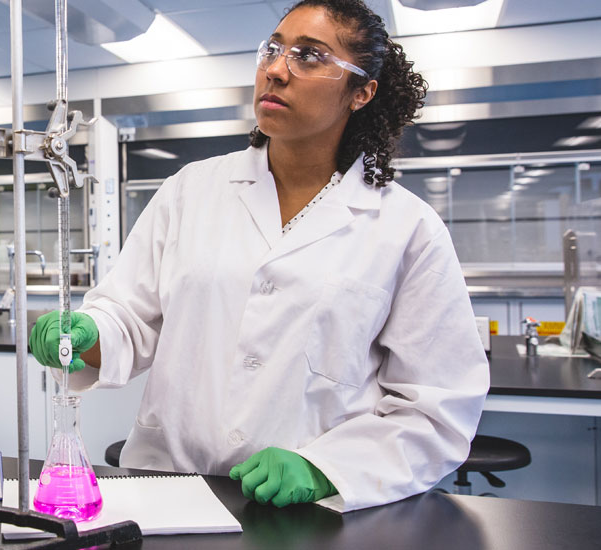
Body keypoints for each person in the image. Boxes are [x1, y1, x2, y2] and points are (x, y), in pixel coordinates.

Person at [29, 0, 488, 513]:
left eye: (309, 56)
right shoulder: (191, 190)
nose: (275, 70)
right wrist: (90, 333)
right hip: (171, 488)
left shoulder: (407, 228)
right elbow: (131, 317)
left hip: (308, 517)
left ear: (361, 92)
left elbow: (437, 405)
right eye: (272, 50)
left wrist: (327, 468)